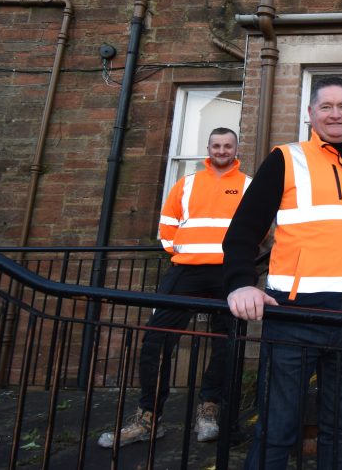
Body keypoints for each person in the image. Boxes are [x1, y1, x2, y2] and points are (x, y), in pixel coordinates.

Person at [222, 77, 342, 470]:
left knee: (341, 427)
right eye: (325, 106)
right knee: (277, 427)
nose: (335, 114)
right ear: (310, 114)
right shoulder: (286, 159)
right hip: (293, 316)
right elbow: (244, 231)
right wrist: (238, 284)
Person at [98, 127, 250, 448]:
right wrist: (181, 251)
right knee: (156, 340)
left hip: (227, 274)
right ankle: (148, 417)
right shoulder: (188, 183)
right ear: (208, 148)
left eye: (227, 146)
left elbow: (257, 229)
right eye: (216, 145)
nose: (222, 151)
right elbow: (167, 226)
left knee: (227, 344)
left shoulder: (248, 185)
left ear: (236, 149)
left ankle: (209, 409)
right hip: (186, 271)